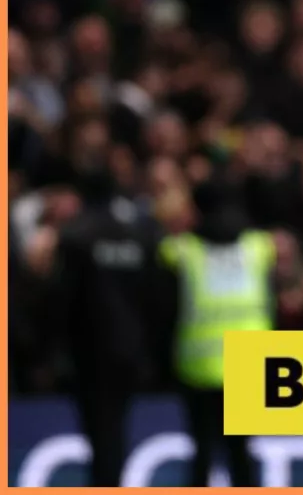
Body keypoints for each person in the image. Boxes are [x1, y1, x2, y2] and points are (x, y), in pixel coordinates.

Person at [56, 116, 169, 486]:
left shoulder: (75, 237)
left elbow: (63, 299)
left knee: (100, 435)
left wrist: (57, 354)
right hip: (131, 349)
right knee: (115, 431)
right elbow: (154, 296)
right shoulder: (140, 236)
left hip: (90, 353)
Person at [159, 177, 270, 487]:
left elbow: (162, 308)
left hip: (198, 367)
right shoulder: (259, 247)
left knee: (202, 454)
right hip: (249, 365)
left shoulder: (179, 251)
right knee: (241, 454)